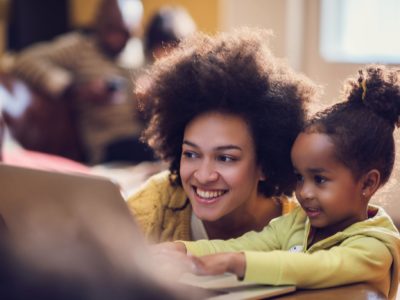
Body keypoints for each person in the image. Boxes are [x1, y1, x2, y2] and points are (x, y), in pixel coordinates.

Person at [157, 65, 400, 299]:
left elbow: (315, 266)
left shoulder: (377, 246)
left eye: (320, 179)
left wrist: (239, 263)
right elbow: (248, 244)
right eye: (299, 177)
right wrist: (185, 250)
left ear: (368, 184)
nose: (303, 192)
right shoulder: (297, 222)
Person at [127, 28, 318, 242]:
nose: (203, 175)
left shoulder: (308, 229)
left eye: (225, 158)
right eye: (191, 154)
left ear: (264, 164)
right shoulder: (153, 207)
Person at [10, 0, 154, 164]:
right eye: (111, 28)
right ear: (98, 22)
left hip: (141, 138)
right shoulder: (79, 48)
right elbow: (24, 60)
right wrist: (73, 89)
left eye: (125, 31)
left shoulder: (139, 55)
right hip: (106, 147)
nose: (117, 38)